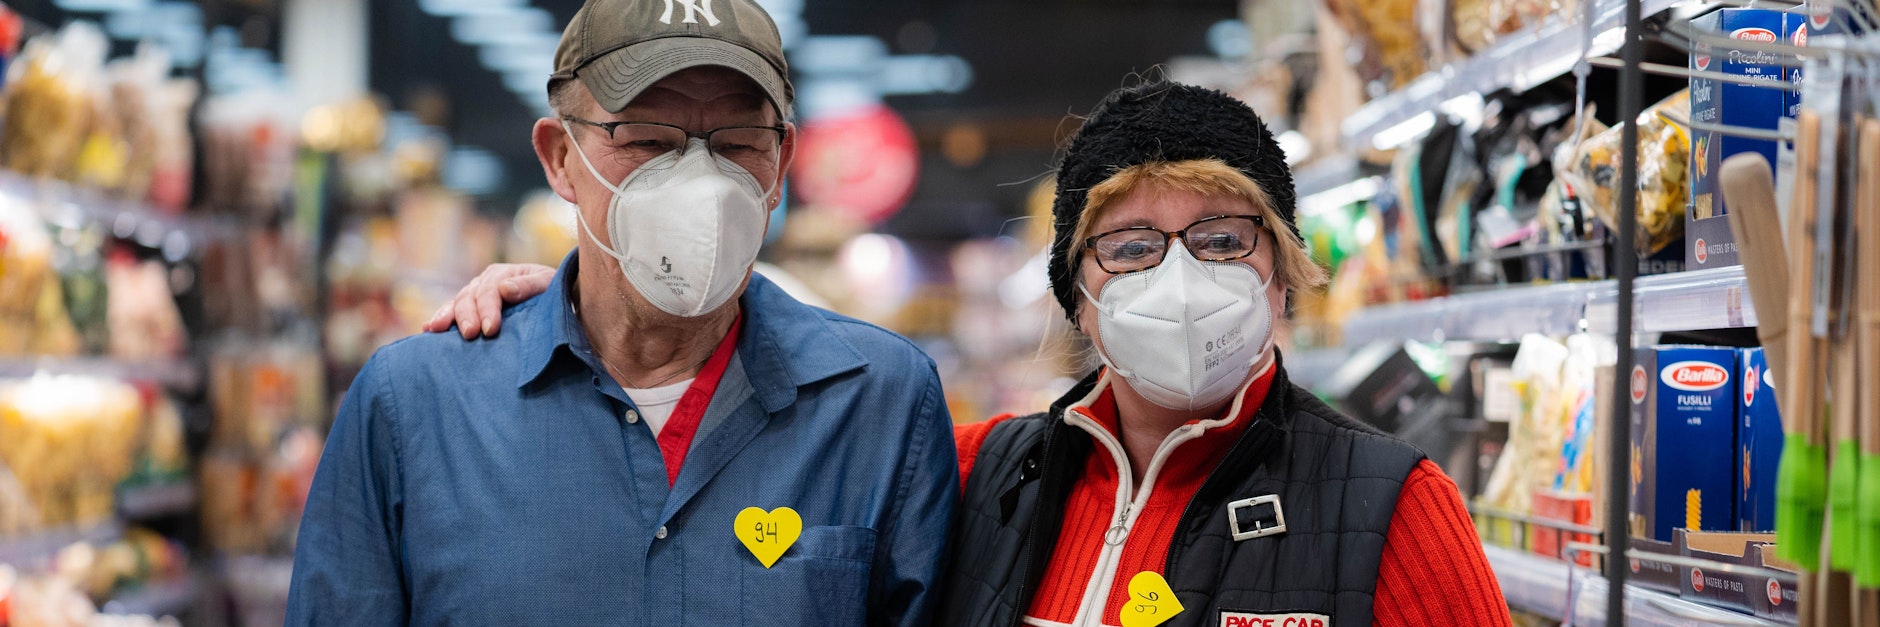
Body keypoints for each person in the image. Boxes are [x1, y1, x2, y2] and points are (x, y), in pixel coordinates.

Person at [440, 82, 1509, 626]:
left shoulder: (1387, 505)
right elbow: (764, 440)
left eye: (1222, 240)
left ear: (1277, 272)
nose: (1178, 280)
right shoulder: (976, 473)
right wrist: (591, 308)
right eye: (1131, 247)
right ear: (1077, 296)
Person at [287, 0, 957, 624]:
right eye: (648, 141)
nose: (701, 184)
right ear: (560, 158)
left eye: (735, 143)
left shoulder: (882, 403)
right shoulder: (413, 407)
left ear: (780, 164)